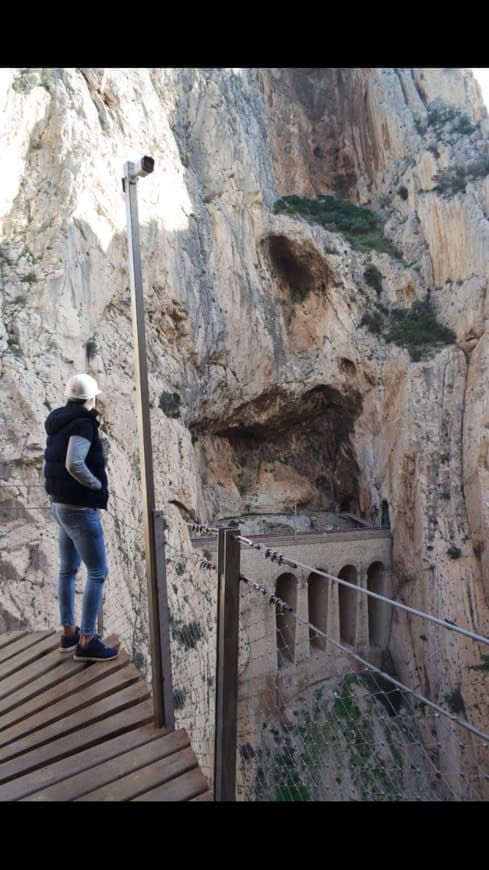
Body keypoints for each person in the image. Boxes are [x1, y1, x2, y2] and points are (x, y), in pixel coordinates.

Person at [43, 373, 118, 661]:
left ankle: (68, 634)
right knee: (97, 572)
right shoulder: (83, 423)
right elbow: (74, 463)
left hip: (60, 504)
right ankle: (87, 640)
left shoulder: (57, 420)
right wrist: (96, 485)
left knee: (67, 570)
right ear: (90, 398)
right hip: (79, 508)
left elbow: (50, 462)